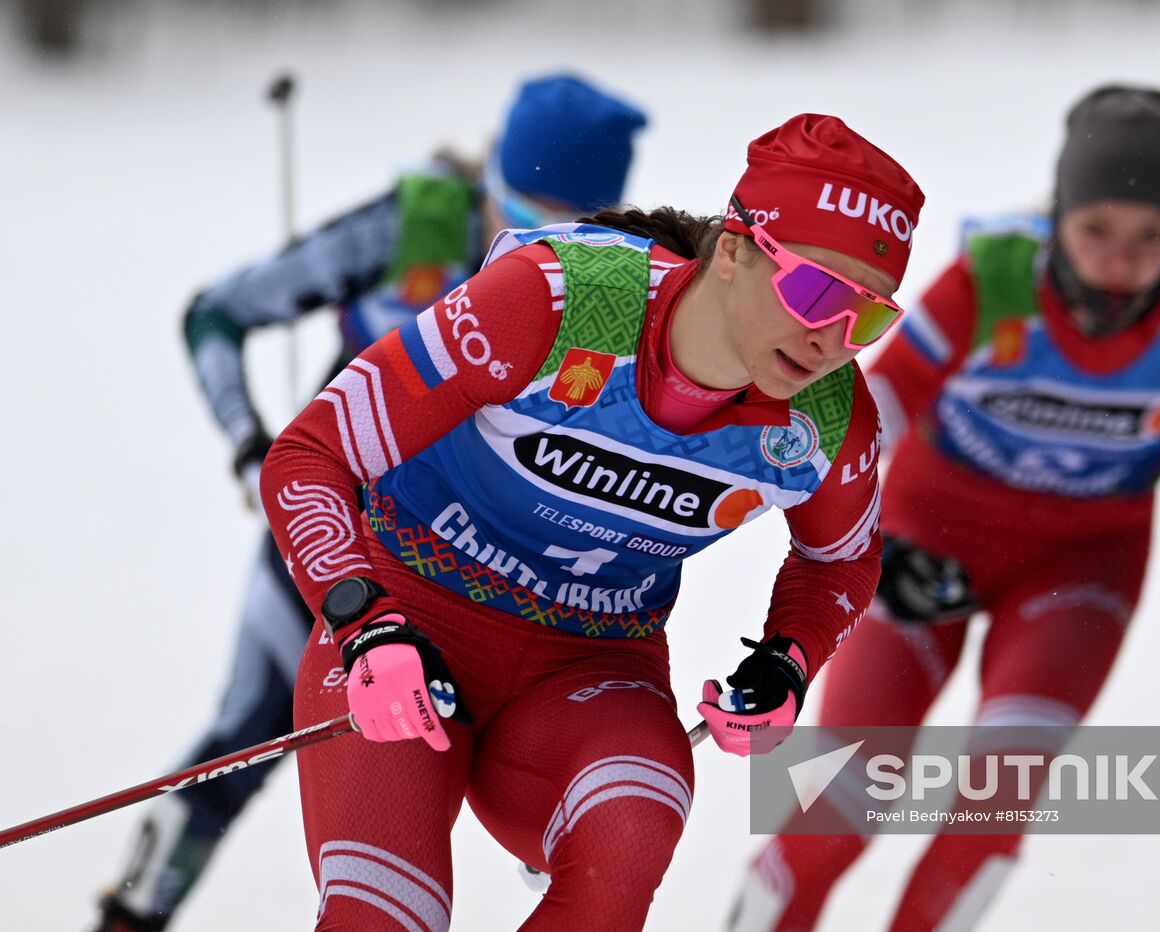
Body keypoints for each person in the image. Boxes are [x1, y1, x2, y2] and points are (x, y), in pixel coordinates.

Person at [255, 112, 923, 930]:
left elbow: (841, 561)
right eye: (815, 291)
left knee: (636, 817)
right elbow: (310, 455)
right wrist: (362, 621)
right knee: (385, 918)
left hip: (590, 668)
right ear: (736, 249)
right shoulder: (558, 302)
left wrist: (787, 662)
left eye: (868, 318)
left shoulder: (823, 419)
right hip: (412, 629)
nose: (831, 338)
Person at [727, 85, 1160, 932]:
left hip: (1083, 567)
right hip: (932, 540)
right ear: (1059, 214)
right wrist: (883, 542)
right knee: (849, 795)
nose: (1122, 259)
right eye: (1096, 228)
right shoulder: (992, 282)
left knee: (996, 802)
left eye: (1151, 236)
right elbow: (871, 413)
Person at [93, 73, 649, 932]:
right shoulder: (412, 230)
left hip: (481, 580)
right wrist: (250, 446)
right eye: (518, 214)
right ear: (487, 184)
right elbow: (215, 314)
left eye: (568, 233)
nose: (533, 251)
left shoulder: (609, 290)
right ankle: (129, 916)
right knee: (244, 740)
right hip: (338, 535)